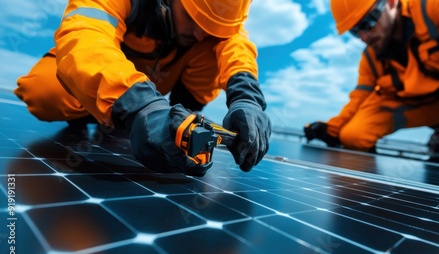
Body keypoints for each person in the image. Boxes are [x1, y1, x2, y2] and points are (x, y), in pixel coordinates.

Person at [14, 0, 272, 176]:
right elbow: (85, 37)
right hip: (105, 72)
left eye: (213, 28)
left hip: (157, 91)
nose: (200, 34)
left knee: (217, 46)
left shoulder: (212, 32)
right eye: (195, 21)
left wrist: (247, 100)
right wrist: (140, 105)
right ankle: (117, 110)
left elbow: (236, 49)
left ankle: (174, 119)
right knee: (44, 91)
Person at [304, 0, 439, 174]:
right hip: (420, 108)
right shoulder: (371, 58)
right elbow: (359, 98)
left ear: (390, 3)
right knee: (353, 136)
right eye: (356, 31)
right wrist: (332, 129)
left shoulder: (438, 5)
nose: (364, 37)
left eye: (368, 24)